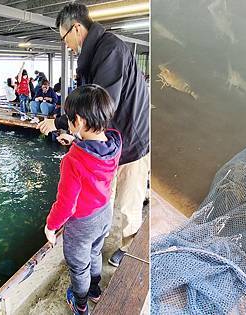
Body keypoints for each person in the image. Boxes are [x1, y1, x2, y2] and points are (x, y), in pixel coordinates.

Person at [39, 3, 150, 268]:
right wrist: (77, 136)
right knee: (106, 197)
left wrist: (59, 123)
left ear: (76, 28)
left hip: (131, 141)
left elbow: (98, 107)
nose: (66, 45)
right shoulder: (92, 55)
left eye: (64, 37)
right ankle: (105, 238)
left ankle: (130, 247)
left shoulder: (109, 50)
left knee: (128, 201)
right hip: (111, 141)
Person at [44, 85, 121, 315]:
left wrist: (51, 226)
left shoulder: (73, 161)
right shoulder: (115, 143)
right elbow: (94, 150)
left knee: (79, 267)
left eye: (69, 119)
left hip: (82, 224)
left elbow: (66, 205)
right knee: (95, 252)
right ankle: (96, 290)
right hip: (104, 212)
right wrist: (76, 141)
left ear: (77, 120)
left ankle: (80, 304)